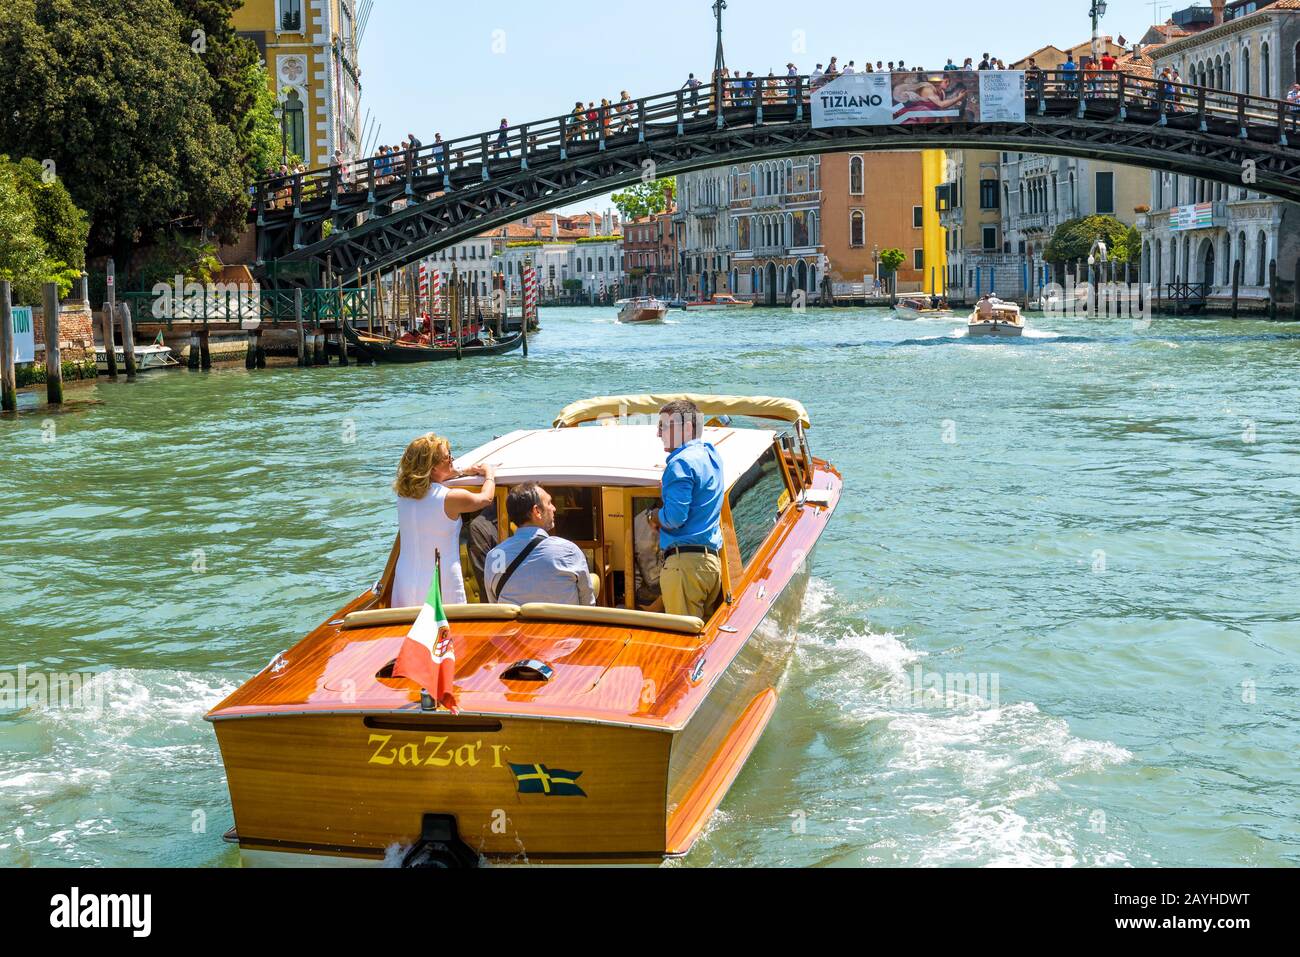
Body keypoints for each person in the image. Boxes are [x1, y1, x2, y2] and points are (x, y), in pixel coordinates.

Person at [392, 434, 497, 609]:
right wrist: (489, 474)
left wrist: (461, 471)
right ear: (432, 468)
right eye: (448, 457)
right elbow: (486, 498)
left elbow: (432, 481)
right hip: (440, 580)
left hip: (405, 578)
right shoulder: (450, 498)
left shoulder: (403, 495)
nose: (452, 459)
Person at [647, 399, 723, 620]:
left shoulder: (680, 464)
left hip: (685, 568)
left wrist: (653, 515)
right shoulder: (711, 455)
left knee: (685, 644)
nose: (659, 433)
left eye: (664, 426)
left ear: (687, 428)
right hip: (710, 566)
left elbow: (675, 518)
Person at [484, 483, 596, 606]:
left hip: (514, 626)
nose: (554, 508)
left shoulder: (496, 556)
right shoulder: (569, 551)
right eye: (549, 503)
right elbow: (588, 605)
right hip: (562, 625)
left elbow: (496, 603)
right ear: (537, 511)